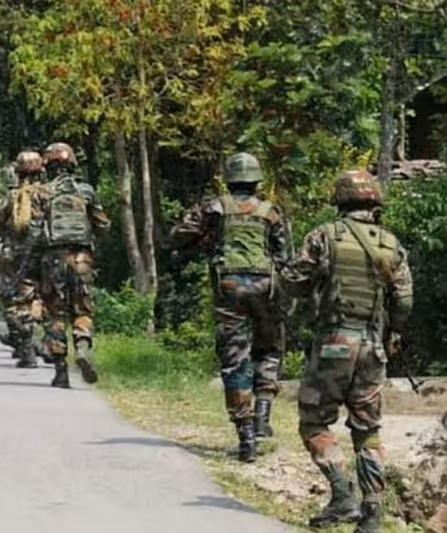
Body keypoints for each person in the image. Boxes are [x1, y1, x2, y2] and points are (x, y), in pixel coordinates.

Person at [280, 170, 412, 533]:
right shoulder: (391, 243)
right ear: (374, 202)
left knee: (313, 419)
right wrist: (394, 331)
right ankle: (372, 515)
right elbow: (404, 298)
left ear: (340, 199)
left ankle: (342, 495)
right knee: (367, 429)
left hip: (335, 343)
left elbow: (293, 282)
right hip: (373, 347)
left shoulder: (324, 236)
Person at [170, 152, 291, 462]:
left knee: (235, 357)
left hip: (229, 287)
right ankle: (263, 416)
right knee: (269, 348)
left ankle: (246, 435)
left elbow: (179, 235)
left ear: (230, 178)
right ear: (255, 180)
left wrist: (205, 240)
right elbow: (284, 255)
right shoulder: (270, 211)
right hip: (266, 286)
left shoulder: (215, 206)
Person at [36, 142, 111, 388]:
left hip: (52, 260)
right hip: (82, 260)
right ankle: (82, 346)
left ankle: (60, 371)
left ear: (48, 165)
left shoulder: (42, 192)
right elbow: (103, 225)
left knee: (55, 313)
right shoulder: (86, 191)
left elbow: (33, 231)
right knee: (82, 309)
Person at [0, 151, 47, 368]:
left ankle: (28, 349)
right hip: (50, 257)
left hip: (16, 258)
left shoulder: (10, 198)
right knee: (46, 301)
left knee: (13, 303)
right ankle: (50, 344)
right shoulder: (52, 194)